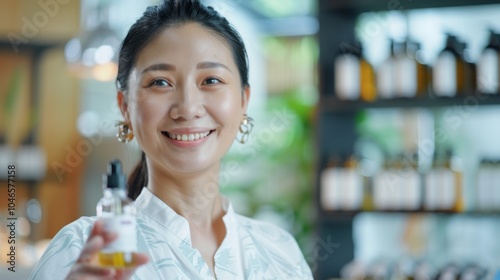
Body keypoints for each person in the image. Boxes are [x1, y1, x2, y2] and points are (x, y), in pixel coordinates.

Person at [29, 0, 313, 279]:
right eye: (160, 82)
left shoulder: (280, 250)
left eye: (211, 80)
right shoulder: (80, 252)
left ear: (243, 101)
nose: (188, 108)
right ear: (125, 106)